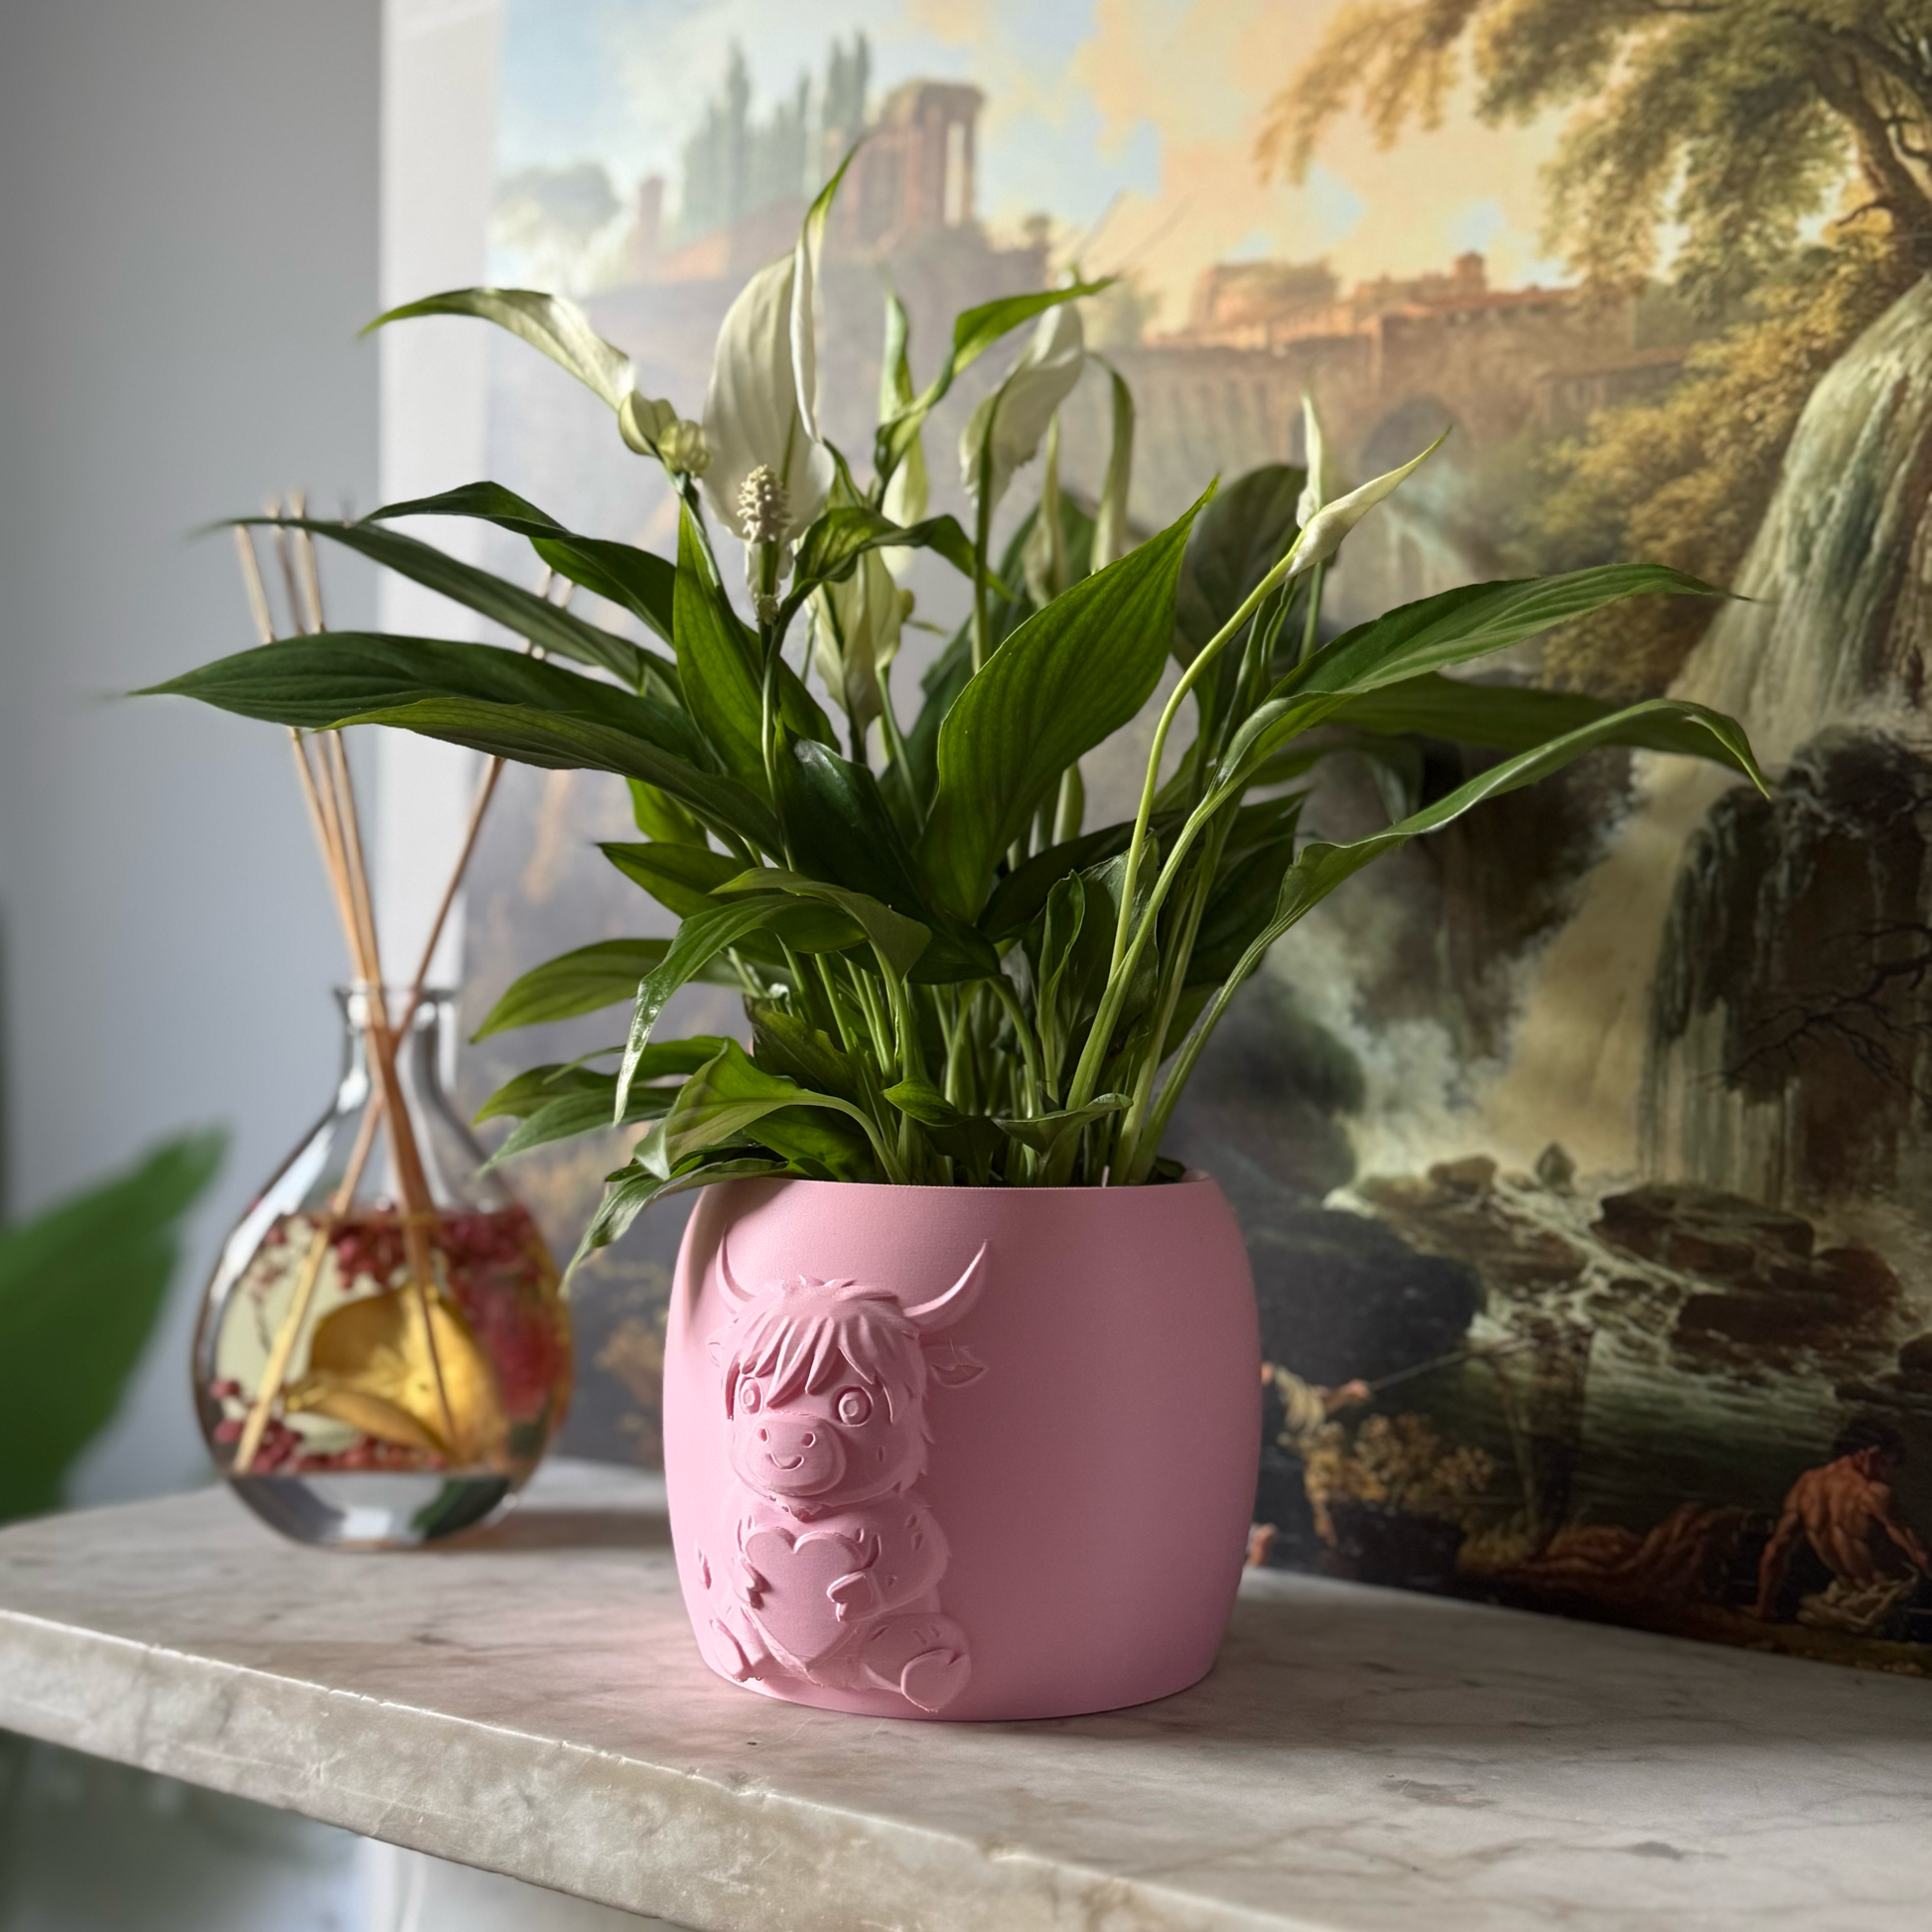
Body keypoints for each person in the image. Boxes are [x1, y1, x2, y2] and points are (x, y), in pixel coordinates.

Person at [1751, 1425, 1932, 1621]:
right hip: (1887, 1598)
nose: (1884, 1474)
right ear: (1871, 1453)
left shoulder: (1806, 1485)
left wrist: (1765, 1606)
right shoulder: (1873, 1493)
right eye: (1884, 1464)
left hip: (1838, 1599)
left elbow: (1776, 1550)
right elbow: (1920, 1555)